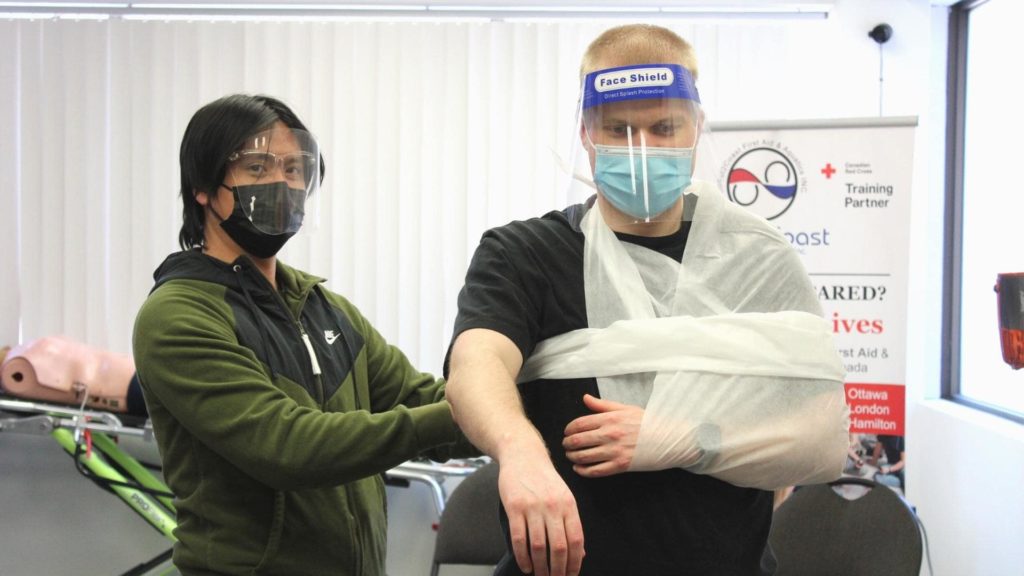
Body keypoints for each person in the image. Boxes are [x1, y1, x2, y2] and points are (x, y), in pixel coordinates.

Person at [444, 24, 849, 576]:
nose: (641, 148)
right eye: (618, 128)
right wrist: (519, 452)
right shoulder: (524, 252)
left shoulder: (757, 258)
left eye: (663, 128)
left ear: (697, 128)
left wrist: (688, 439)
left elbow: (816, 436)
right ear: (586, 134)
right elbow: (476, 365)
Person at [133, 94, 470, 575]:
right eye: (256, 168)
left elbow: (418, 397)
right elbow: (290, 447)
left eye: (294, 169)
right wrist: (475, 412)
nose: (281, 183)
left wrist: (528, 400)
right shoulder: (179, 316)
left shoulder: (325, 310)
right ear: (203, 188)